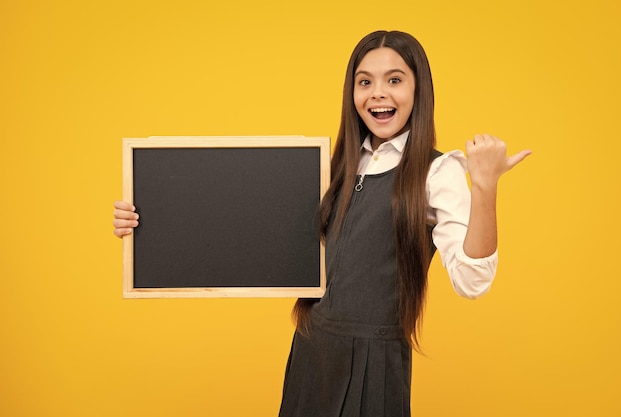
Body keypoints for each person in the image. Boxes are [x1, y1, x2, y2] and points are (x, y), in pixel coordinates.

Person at [113, 30, 531, 417]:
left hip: (375, 362)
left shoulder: (435, 173)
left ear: (419, 89)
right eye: (364, 81)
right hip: (312, 351)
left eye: (395, 80)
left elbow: (472, 282)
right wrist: (149, 228)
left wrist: (484, 188)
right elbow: (242, 228)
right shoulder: (331, 166)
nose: (378, 94)